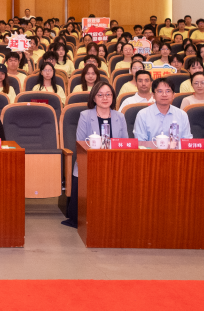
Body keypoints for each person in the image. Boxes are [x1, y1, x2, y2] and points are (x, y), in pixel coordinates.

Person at [67, 81, 129, 226]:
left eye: (108, 94)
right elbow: (80, 143)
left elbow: (125, 143)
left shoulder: (120, 117)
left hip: (114, 163)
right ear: (94, 98)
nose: (105, 98)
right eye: (100, 95)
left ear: (113, 97)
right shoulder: (85, 115)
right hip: (90, 162)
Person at [132, 78, 192, 144]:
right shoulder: (143, 115)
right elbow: (140, 143)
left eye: (168, 91)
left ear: (173, 95)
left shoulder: (182, 115)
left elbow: (187, 142)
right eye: (160, 91)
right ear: (153, 95)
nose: (164, 94)